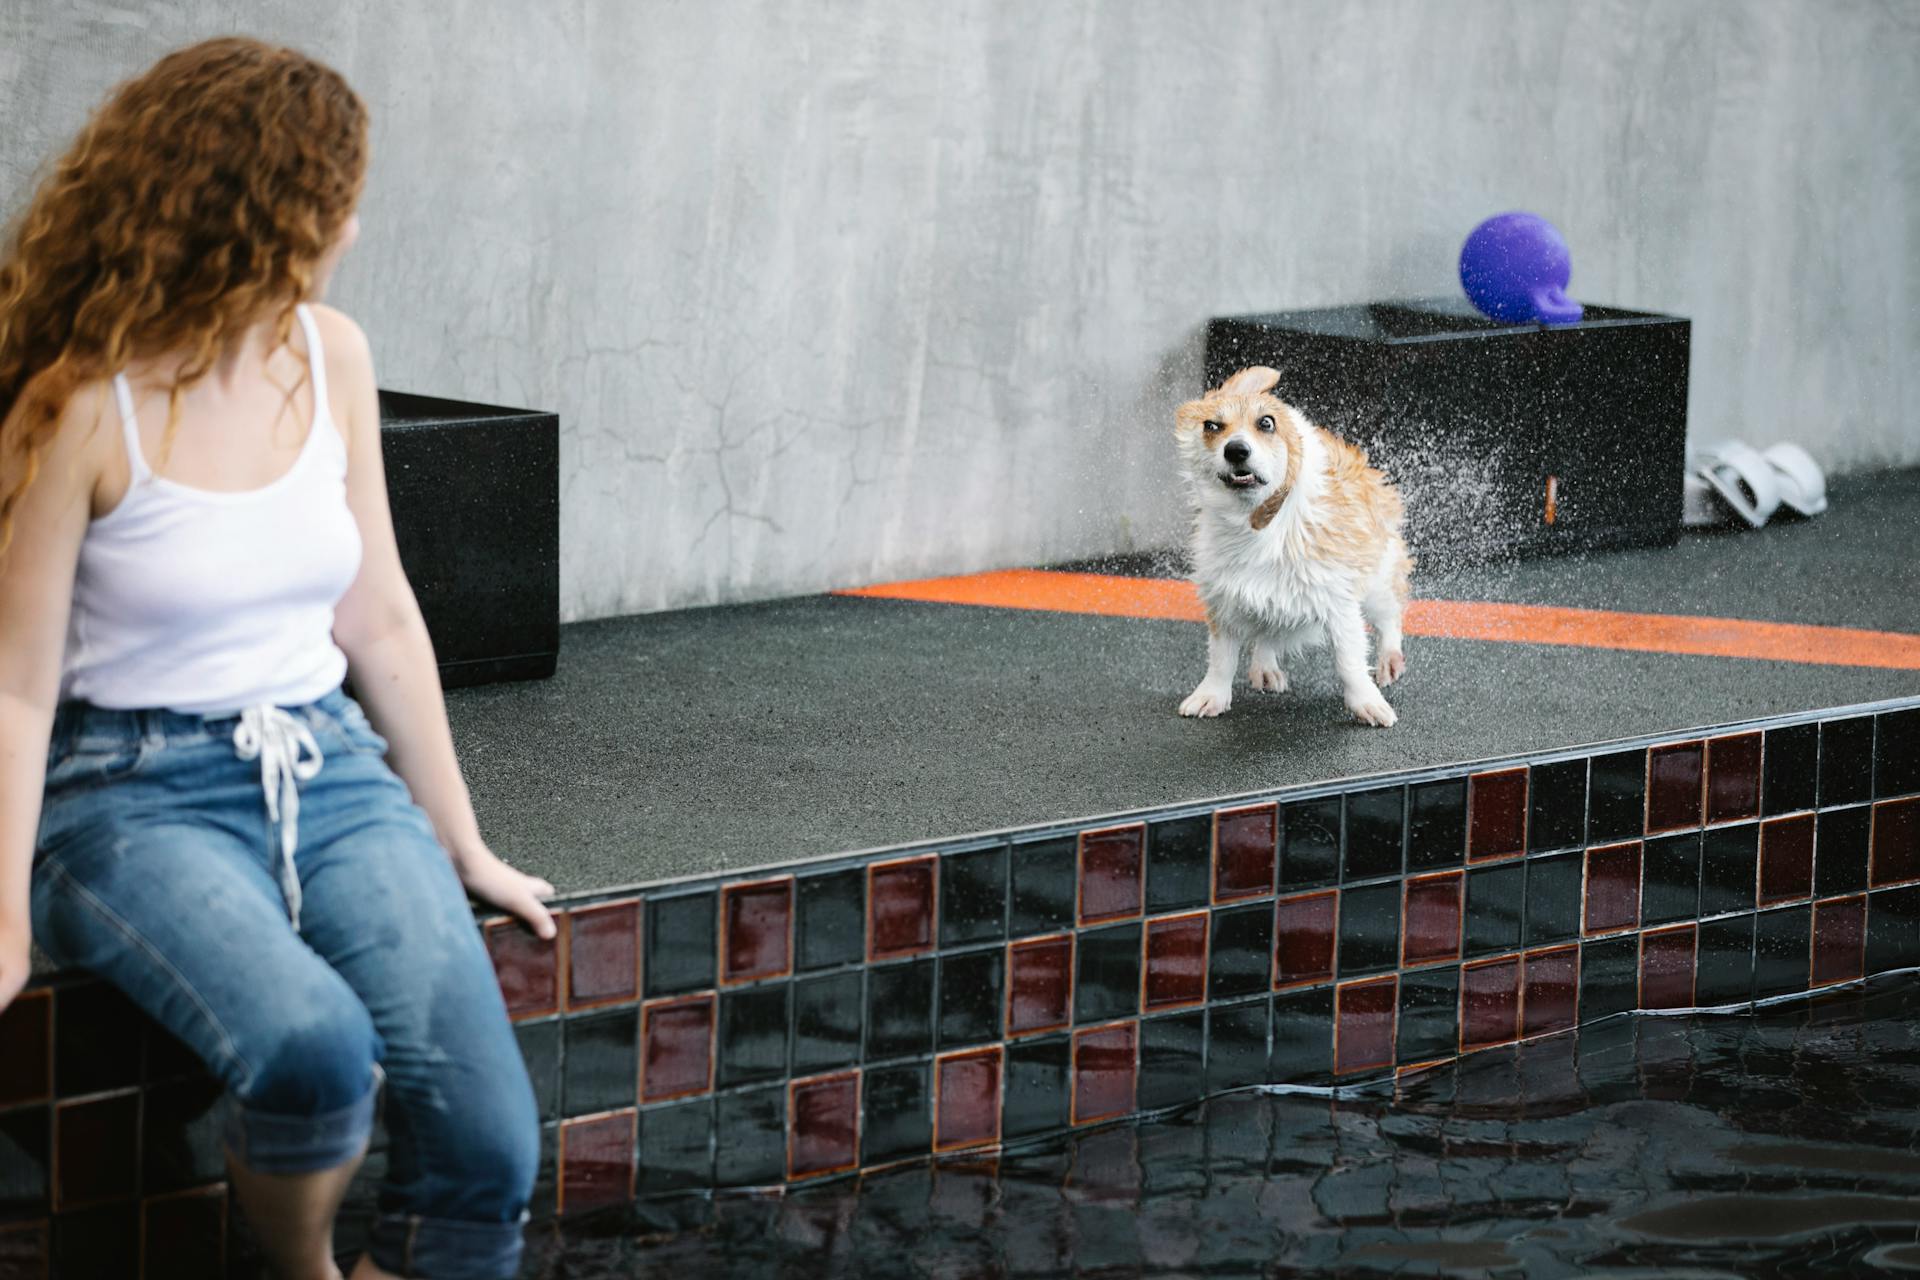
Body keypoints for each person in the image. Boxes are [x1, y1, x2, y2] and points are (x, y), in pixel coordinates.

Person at [0, 37, 556, 1280]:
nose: (353, 222)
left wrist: (459, 839)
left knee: (488, 1152)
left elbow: (382, 618)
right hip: (127, 793)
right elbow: (15, 684)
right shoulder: (84, 405)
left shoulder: (333, 354)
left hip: (330, 764)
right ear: (270, 213)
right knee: (309, 1045)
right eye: (337, 195)